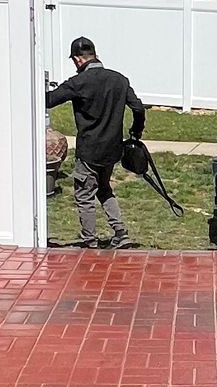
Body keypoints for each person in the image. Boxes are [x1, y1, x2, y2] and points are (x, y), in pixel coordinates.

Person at [46, 36, 146, 248]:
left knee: (84, 195)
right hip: (112, 150)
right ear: (95, 56)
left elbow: (49, 100)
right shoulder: (119, 79)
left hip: (89, 151)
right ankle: (121, 233)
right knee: (104, 188)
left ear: (78, 60)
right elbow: (138, 108)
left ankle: (89, 241)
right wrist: (136, 131)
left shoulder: (78, 83)